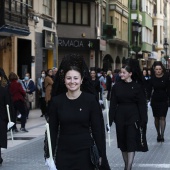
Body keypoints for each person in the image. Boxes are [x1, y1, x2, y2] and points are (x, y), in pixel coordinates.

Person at [44, 54, 110, 170]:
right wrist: (49, 155)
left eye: (75, 78)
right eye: (68, 78)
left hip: (85, 154)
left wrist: (101, 154)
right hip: (63, 153)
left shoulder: (90, 101)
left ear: (82, 80)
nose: (72, 81)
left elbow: (97, 130)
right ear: (64, 80)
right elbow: (52, 131)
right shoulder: (56, 102)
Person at [109, 59, 148, 170]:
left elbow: (142, 105)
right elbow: (112, 104)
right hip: (120, 117)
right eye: (121, 72)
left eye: (124, 72)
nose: (121, 74)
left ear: (130, 74)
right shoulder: (116, 86)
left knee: (131, 141)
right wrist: (110, 121)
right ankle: (126, 163)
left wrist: (143, 120)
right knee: (123, 143)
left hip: (133, 117)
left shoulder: (137, 87)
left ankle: (129, 166)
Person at [148, 61, 170, 142]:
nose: (158, 71)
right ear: (154, 70)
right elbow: (149, 90)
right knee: (156, 118)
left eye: (159, 69)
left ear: (162, 70)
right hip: (155, 100)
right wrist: (147, 99)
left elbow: (169, 89)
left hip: (164, 100)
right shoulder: (152, 79)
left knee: (162, 117)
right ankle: (158, 133)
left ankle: (162, 135)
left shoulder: (166, 77)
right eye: (156, 69)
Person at [0, 71, 12, 164]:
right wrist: (10, 119)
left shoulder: (4, 90)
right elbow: (8, 104)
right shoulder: (4, 90)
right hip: (2, 117)